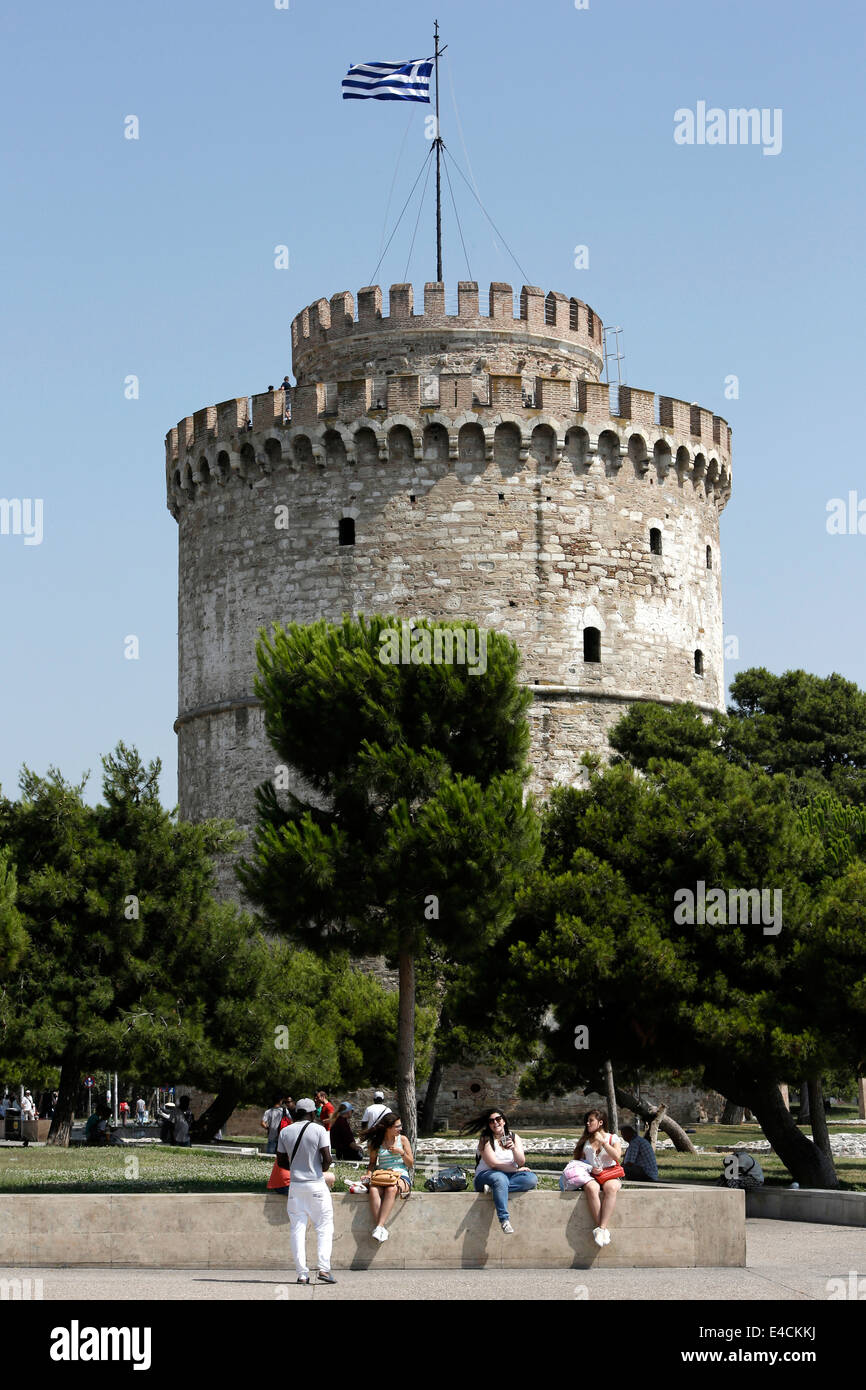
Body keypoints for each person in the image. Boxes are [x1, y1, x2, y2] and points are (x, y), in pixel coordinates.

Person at [276, 1098, 336, 1285]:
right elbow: (327, 1158)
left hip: (295, 1187)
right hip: (316, 1184)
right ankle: (324, 1269)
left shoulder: (285, 1131)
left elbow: (281, 1162)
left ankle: (302, 1274)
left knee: (297, 1229)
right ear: (311, 1113)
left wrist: (296, 1166)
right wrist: (318, 1167)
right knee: (324, 1227)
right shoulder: (319, 1130)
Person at [463, 1107, 537, 1234]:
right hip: (485, 1176)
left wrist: (513, 1149)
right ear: (489, 1124)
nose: (495, 1123)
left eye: (498, 1119)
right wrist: (516, 1170)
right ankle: (504, 1220)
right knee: (499, 1178)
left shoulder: (514, 1137)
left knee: (531, 1179)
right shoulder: (485, 1139)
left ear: (504, 1121)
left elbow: (521, 1162)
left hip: (506, 1176)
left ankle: (496, 1189)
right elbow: (494, 1164)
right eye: (491, 1121)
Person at [363, 1112, 414, 1242]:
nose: (400, 1129)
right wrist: (368, 1175)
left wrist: (401, 1152)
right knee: (374, 1190)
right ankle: (381, 1228)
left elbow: (410, 1163)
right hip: (382, 1175)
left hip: (400, 1175)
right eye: (397, 1126)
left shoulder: (402, 1140)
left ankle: (379, 1227)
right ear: (388, 1127)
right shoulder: (376, 1142)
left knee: (391, 1189)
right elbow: (372, 1163)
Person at [576, 1109, 624, 1246]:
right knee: (591, 1188)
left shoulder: (612, 1138)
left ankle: (601, 1228)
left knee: (611, 1187)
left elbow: (617, 1156)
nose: (587, 1123)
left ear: (600, 1122)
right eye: (587, 1120)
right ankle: (601, 1229)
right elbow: (579, 1161)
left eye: (591, 1120)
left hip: (610, 1174)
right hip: (592, 1175)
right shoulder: (585, 1141)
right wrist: (591, 1169)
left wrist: (603, 1143)